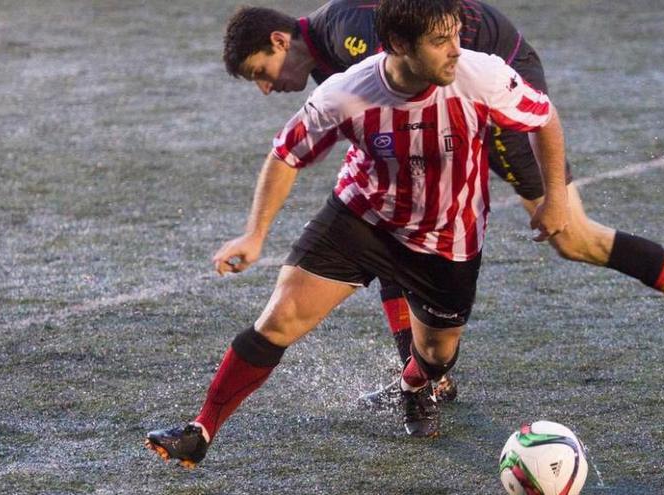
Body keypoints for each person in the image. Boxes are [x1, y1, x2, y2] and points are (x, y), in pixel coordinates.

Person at [220, 0, 664, 404]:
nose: (268, 89)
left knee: (572, 235)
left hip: (491, 80)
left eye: (260, 75)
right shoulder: (333, 48)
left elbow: (435, 48)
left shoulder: (351, 37)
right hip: (466, 87)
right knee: (390, 212)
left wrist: (550, 194)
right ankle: (421, 376)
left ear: (277, 42)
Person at [146, 0, 568, 467]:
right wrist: (254, 234)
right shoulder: (348, 91)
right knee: (280, 318)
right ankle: (200, 429)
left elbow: (543, 116)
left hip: (446, 237)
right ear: (401, 46)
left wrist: (557, 197)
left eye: (454, 36)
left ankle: (414, 382)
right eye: (441, 40)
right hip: (361, 218)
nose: (456, 49)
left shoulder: (482, 75)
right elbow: (286, 154)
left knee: (436, 356)